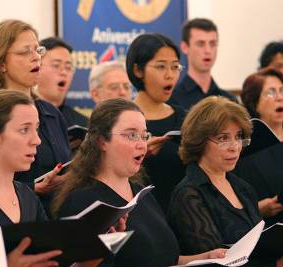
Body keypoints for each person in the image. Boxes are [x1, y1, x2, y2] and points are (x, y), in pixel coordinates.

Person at [53, 98, 226, 267]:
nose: (142, 145)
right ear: (101, 141)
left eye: (144, 136)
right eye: (132, 135)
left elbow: (166, 259)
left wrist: (208, 257)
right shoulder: (82, 202)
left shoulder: (141, 192)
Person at [0, 89, 102, 267]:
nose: (37, 140)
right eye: (25, 130)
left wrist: (88, 260)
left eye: (37, 129)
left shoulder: (28, 196)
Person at [166, 96, 278, 265]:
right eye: (223, 138)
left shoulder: (243, 187)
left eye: (238, 136)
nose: (235, 147)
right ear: (199, 141)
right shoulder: (189, 194)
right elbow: (216, 261)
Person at [0, 20, 71, 213]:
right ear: (1, 63)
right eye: (25, 51)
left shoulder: (52, 112)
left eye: (38, 50)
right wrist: (34, 188)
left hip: (59, 219)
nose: (36, 57)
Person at [126, 33, 187, 212]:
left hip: (184, 215)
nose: (170, 75)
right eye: (161, 67)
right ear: (138, 70)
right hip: (139, 216)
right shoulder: (120, 120)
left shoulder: (185, 118)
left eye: (175, 67)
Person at [234, 67, 283, 226]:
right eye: (271, 92)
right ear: (255, 103)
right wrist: (256, 209)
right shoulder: (244, 148)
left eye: (282, 90)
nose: (280, 97)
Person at [169, 18, 236, 110]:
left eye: (212, 44)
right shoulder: (172, 99)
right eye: (200, 44)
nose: (208, 51)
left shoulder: (230, 100)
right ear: (185, 47)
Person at [37, 37, 88, 127]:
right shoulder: (25, 116)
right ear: (37, 67)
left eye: (68, 67)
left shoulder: (82, 124)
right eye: (56, 65)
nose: (64, 72)